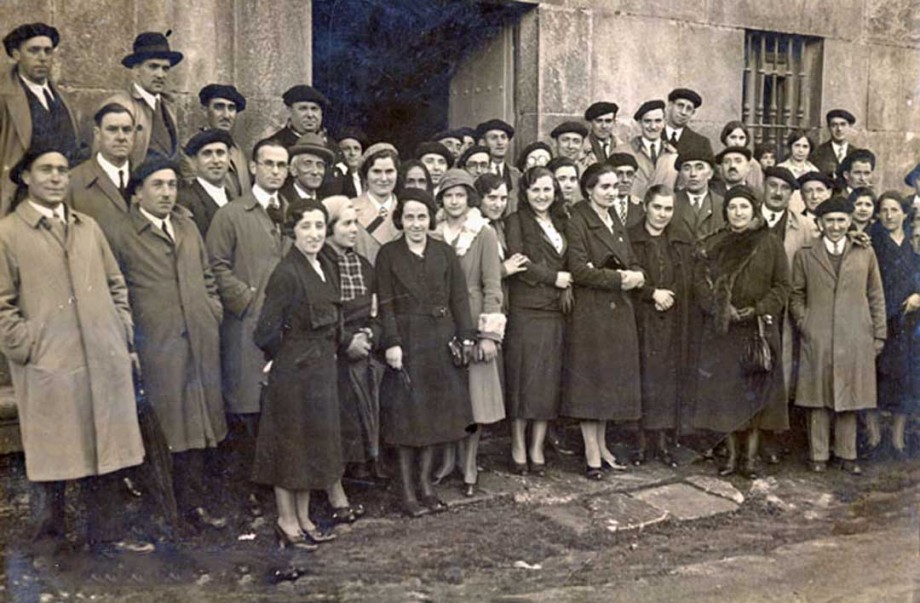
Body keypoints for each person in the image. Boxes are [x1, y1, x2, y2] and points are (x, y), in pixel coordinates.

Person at [0, 146, 149, 554]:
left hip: (103, 357)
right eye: (45, 170)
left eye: (62, 171)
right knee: (52, 454)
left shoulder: (88, 228)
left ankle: (106, 536)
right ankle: (49, 542)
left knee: (106, 447)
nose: (55, 178)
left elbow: (116, 284)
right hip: (51, 363)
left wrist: (121, 330)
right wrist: (27, 344)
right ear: (26, 177)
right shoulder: (9, 233)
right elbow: (2, 304)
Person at [107, 158, 228, 531]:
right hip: (156, 347)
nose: (166, 193)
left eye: (172, 185)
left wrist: (211, 310)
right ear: (138, 191)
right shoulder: (121, 233)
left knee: (199, 428)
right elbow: (116, 291)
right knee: (166, 431)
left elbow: (207, 275)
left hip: (198, 340)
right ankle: (166, 514)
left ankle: (194, 508)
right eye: (157, 185)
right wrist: (130, 342)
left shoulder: (186, 227)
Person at [253, 198, 355, 549]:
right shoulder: (286, 273)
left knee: (314, 444)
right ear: (292, 231)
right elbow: (264, 332)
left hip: (321, 370)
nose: (314, 234)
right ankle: (286, 520)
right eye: (305, 227)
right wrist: (288, 357)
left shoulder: (325, 264)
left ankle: (305, 517)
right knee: (290, 446)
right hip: (294, 373)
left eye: (319, 226)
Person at [206, 138, 291, 515]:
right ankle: (246, 492)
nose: (275, 171)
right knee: (246, 406)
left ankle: (278, 487)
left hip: (286, 327)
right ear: (252, 168)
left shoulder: (291, 212)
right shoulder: (233, 214)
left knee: (280, 405)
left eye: (281, 165)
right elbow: (214, 266)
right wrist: (246, 298)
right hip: (246, 327)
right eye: (268, 163)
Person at [377, 187, 474, 517]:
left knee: (433, 419)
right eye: (409, 217)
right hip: (407, 343)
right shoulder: (388, 254)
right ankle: (406, 493)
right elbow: (385, 305)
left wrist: (466, 337)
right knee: (407, 420)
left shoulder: (444, 252)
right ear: (400, 219)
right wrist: (391, 343)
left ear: (430, 218)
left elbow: (459, 298)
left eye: (421, 217)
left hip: (440, 341)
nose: (416, 224)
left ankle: (426, 486)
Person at [692, 186, 790, 479]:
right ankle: (731, 457)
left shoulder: (770, 243)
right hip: (725, 332)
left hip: (758, 330)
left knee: (756, 397)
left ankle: (750, 458)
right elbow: (701, 284)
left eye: (744, 207)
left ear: (754, 210)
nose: (738, 212)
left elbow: (782, 286)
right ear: (726, 213)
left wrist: (757, 309)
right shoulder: (715, 244)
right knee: (726, 397)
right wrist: (721, 309)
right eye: (732, 207)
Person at [791, 196, 887, 474]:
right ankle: (818, 454)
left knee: (851, 394)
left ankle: (847, 453)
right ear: (820, 223)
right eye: (829, 220)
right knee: (817, 396)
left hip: (855, 333)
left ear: (850, 221)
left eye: (841, 220)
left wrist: (878, 333)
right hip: (818, 332)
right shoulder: (806, 253)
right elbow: (796, 294)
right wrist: (804, 321)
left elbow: (875, 294)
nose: (835, 226)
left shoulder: (864, 252)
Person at [563, 163, 644, 479]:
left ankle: (602, 444)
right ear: (589, 190)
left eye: (615, 186)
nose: (612, 192)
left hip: (618, 310)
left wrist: (637, 274)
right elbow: (579, 269)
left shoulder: (614, 219)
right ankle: (591, 452)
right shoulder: (579, 220)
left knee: (608, 383)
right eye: (604, 187)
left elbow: (630, 257)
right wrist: (619, 279)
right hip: (592, 313)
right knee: (591, 385)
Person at [434, 170, 506, 496]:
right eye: (448, 195)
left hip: (474, 319)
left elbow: (492, 284)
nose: (454, 201)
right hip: (442, 322)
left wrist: (489, 335)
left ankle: (470, 462)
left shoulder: (483, 233)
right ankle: (448, 460)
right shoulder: (433, 233)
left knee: (474, 397)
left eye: (460, 195)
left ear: (469, 199)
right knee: (449, 395)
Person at [504, 166, 571, 474]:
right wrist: (552, 277)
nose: (542, 196)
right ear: (525, 193)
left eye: (547, 189)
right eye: (535, 190)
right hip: (527, 310)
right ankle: (518, 445)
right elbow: (519, 261)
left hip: (555, 311)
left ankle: (537, 447)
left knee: (546, 381)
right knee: (522, 380)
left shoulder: (562, 221)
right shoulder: (515, 221)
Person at [320, 196, 385, 485]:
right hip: (333, 351)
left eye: (355, 223)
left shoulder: (362, 264)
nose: (353, 230)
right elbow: (321, 314)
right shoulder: (319, 263)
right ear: (329, 227)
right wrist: (347, 341)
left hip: (364, 347)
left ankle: (364, 462)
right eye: (346, 224)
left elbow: (378, 309)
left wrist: (371, 334)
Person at [628, 185, 693, 467]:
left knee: (667, 378)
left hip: (672, 318)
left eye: (668, 209)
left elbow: (687, 275)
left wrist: (672, 295)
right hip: (641, 317)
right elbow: (627, 275)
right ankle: (641, 441)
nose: (662, 214)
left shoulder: (679, 239)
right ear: (646, 206)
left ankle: (663, 441)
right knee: (643, 374)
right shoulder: (631, 238)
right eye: (657, 207)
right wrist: (651, 293)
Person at [0, 23, 78, 215]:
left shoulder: (58, 97)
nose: (42, 58)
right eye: (34, 51)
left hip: (60, 197)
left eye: (47, 51)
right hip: (18, 198)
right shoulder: (4, 98)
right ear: (16, 55)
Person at [868, 192, 919, 459]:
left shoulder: (914, 242)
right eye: (884, 210)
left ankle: (898, 438)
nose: (889, 215)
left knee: (904, 377)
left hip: (908, 320)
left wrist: (918, 296)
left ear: (904, 213)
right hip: (880, 318)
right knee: (877, 376)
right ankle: (874, 437)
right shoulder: (872, 242)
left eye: (894, 210)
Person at [105, 32, 183, 165]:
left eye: (165, 69)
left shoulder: (168, 106)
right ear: (136, 70)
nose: (160, 75)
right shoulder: (120, 105)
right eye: (153, 67)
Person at [68, 103, 135, 239]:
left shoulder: (146, 178)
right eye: (112, 130)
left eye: (127, 130)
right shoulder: (73, 181)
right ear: (97, 134)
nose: (121, 137)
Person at [179, 84, 251, 198]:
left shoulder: (237, 150)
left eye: (231, 108)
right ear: (204, 110)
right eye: (219, 107)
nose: (226, 115)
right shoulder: (190, 150)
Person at [176, 129, 234, 236]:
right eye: (207, 154)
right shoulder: (184, 200)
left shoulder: (232, 198)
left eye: (220, 153)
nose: (216, 160)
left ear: (229, 158)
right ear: (194, 161)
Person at [352, 142, 400, 264]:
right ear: (365, 175)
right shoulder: (350, 209)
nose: (383, 178)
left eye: (389, 171)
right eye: (376, 171)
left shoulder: (407, 210)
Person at [625, 100, 678, 199]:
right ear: (640, 123)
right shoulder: (623, 152)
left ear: (664, 122)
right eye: (647, 121)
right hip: (632, 212)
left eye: (658, 121)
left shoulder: (673, 157)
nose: (653, 127)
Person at [673, 143, 725, 241]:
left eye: (699, 167)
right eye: (687, 168)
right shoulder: (671, 203)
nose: (693, 174)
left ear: (710, 173)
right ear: (680, 174)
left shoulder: (722, 204)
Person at [475, 119, 520, 205]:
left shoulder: (516, 176)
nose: (500, 142)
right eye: (494, 138)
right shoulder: (477, 172)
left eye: (503, 137)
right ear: (482, 143)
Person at [279, 132, 335, 201]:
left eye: (320, 165)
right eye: (307, 164)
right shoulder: (282, 201)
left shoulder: (326, 203)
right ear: (293, 170)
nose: (315, 171)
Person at [810, 109, 859, 179]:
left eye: (843, 124)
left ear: (850, 127)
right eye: (834, 125)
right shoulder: (817, 153)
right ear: (829, 128)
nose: (839, 129)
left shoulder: (857, 154)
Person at [664, 88, 713, 156]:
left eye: (688, 109)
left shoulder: (701, 143)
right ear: (670, 106)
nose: (683, 112)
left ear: (692, 113)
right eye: (680, 106)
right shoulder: (653, 135)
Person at [718, 121, 763, 192]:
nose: (737, 142)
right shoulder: (718, 162)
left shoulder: (754, 165)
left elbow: (757, 189)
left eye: (741, 138)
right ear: (725, 139)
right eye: (733, 137)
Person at [606, 153, 644, 229]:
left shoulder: (641, 208)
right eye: (619, 174)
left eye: (629, 174)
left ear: (634, 177)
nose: (625, 180)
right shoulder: (600, 206)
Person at [337, 127, 367, 198]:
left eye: (356, 149)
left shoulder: (365, 179)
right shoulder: (335, 179)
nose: (352, 153)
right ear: (339, 152)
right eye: (347, 149)